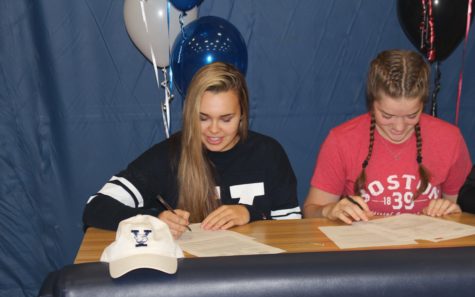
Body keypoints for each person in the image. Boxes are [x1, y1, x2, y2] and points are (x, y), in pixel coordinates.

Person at [83, 62, 301, 238]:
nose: (214, 130)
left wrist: (251, 213)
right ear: (189, 115)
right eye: (203, 118)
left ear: (243, 114)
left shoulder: (268, 153)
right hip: (191, 281)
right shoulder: (168, 156)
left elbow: (291, 227)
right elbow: (96, 208)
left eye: (226, 119)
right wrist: (154, 218)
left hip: (255, 277)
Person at [303, 49, 472, 224]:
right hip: (364, 247)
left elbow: (461, 210)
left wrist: (452, 209)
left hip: (427, 247)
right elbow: (310, 211)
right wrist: (329, 210)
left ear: (423, 104)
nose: (399, 127)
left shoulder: (449, 138)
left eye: (412, 115)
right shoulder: (342, 140)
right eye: (387, 116)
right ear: (372, 104)